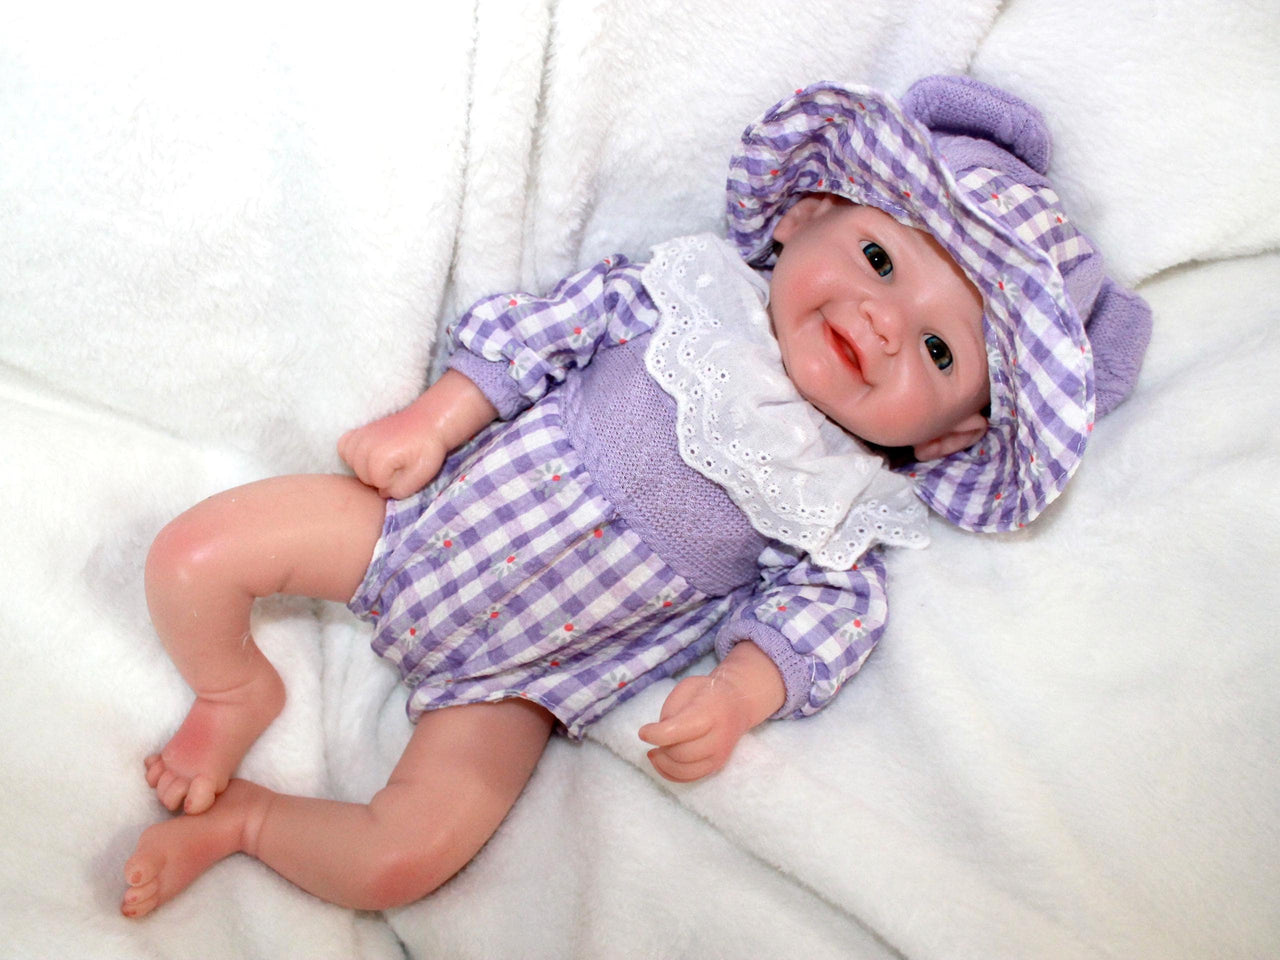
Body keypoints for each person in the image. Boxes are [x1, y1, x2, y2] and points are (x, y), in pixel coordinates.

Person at [120, 75, 1151, 917]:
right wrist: (436, 418)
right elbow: (548, 328)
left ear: (954, 432)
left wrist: (744, 688)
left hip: (523, 683)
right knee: (195, 556)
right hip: (413, 527)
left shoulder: (843, 504)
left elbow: (830, 614)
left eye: (935, 347)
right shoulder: (682, 295)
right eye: (878, 259)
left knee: (401, 860)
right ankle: (232, 691)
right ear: (810, 215)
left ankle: (246, 824)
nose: (882, 324)